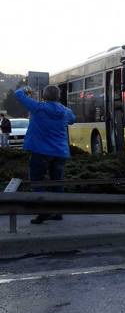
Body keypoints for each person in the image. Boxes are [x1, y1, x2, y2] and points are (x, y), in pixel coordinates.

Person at [15, 85, 76, 224]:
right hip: (60, 152)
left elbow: (18, 94)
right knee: (57, 182)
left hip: (40, 150)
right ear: (58, 97)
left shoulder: (38, 107)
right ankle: (58, 211)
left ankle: (44, 210)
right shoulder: (66, 111)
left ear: (44, 96)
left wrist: (27, 89)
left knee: (37, 181)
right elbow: (73, 119)